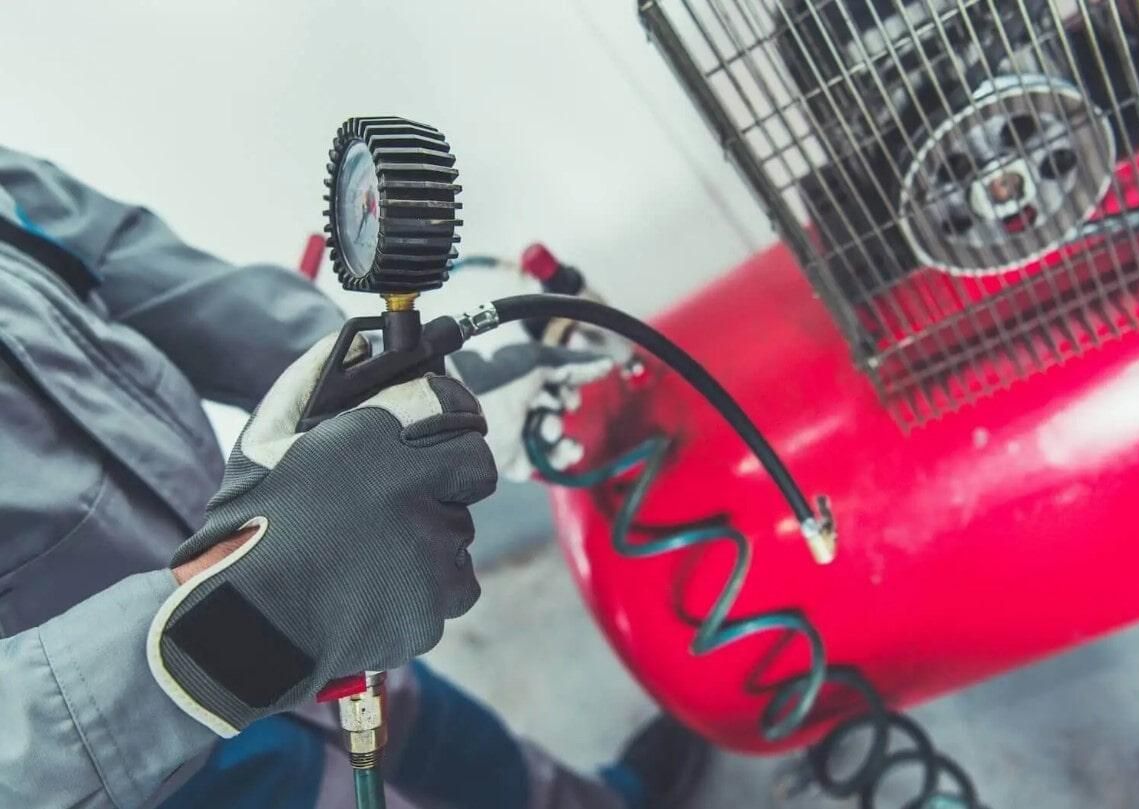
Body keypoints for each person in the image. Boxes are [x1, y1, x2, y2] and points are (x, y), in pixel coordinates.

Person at [0, 144, 708, 809]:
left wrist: (416, 391)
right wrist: (230, 615)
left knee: (447, 738)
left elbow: (140, 266)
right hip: (139, 754)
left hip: (296, 549)